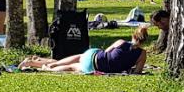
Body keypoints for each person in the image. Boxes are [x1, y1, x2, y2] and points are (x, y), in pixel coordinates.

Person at [20, 24, 152, 74]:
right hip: (96, 66)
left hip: (93, 55)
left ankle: (36, 61)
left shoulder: (121, 42)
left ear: (133, 35)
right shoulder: (142, 54)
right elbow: (137, 72)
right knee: (73, 67)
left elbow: (106, 52)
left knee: (63, 61)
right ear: (145, 40)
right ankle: (44, 67)